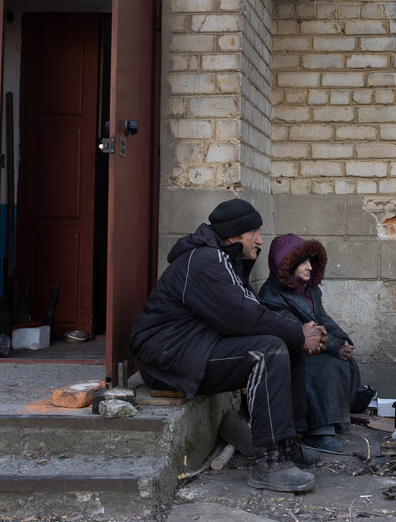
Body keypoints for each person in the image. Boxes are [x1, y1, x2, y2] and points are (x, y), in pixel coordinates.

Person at [130, 198, 327, 493]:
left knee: (285, 344)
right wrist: (300, 333)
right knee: (268, 351)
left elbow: (251, 310)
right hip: (168, 359)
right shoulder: (205, 261)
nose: (260, 240)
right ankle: (269, 463)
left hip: (195, 348)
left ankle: (287, 445)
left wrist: (298, 335)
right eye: (254, 233)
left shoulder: (225, 260)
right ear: (234, 235)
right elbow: (246, 318)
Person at [259, 234, 361, 454]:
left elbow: (322, 319)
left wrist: (341, 341)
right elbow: (294, 329)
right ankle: (318, 430)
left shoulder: (310, 289)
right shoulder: (271, 295)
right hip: (294, 349)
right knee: (323, 365)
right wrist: (333, 346)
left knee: (346, 361)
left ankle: (333, 420)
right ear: (288, 265)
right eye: (303, 263)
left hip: (315, 343)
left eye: (310, 262)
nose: (309, 268)